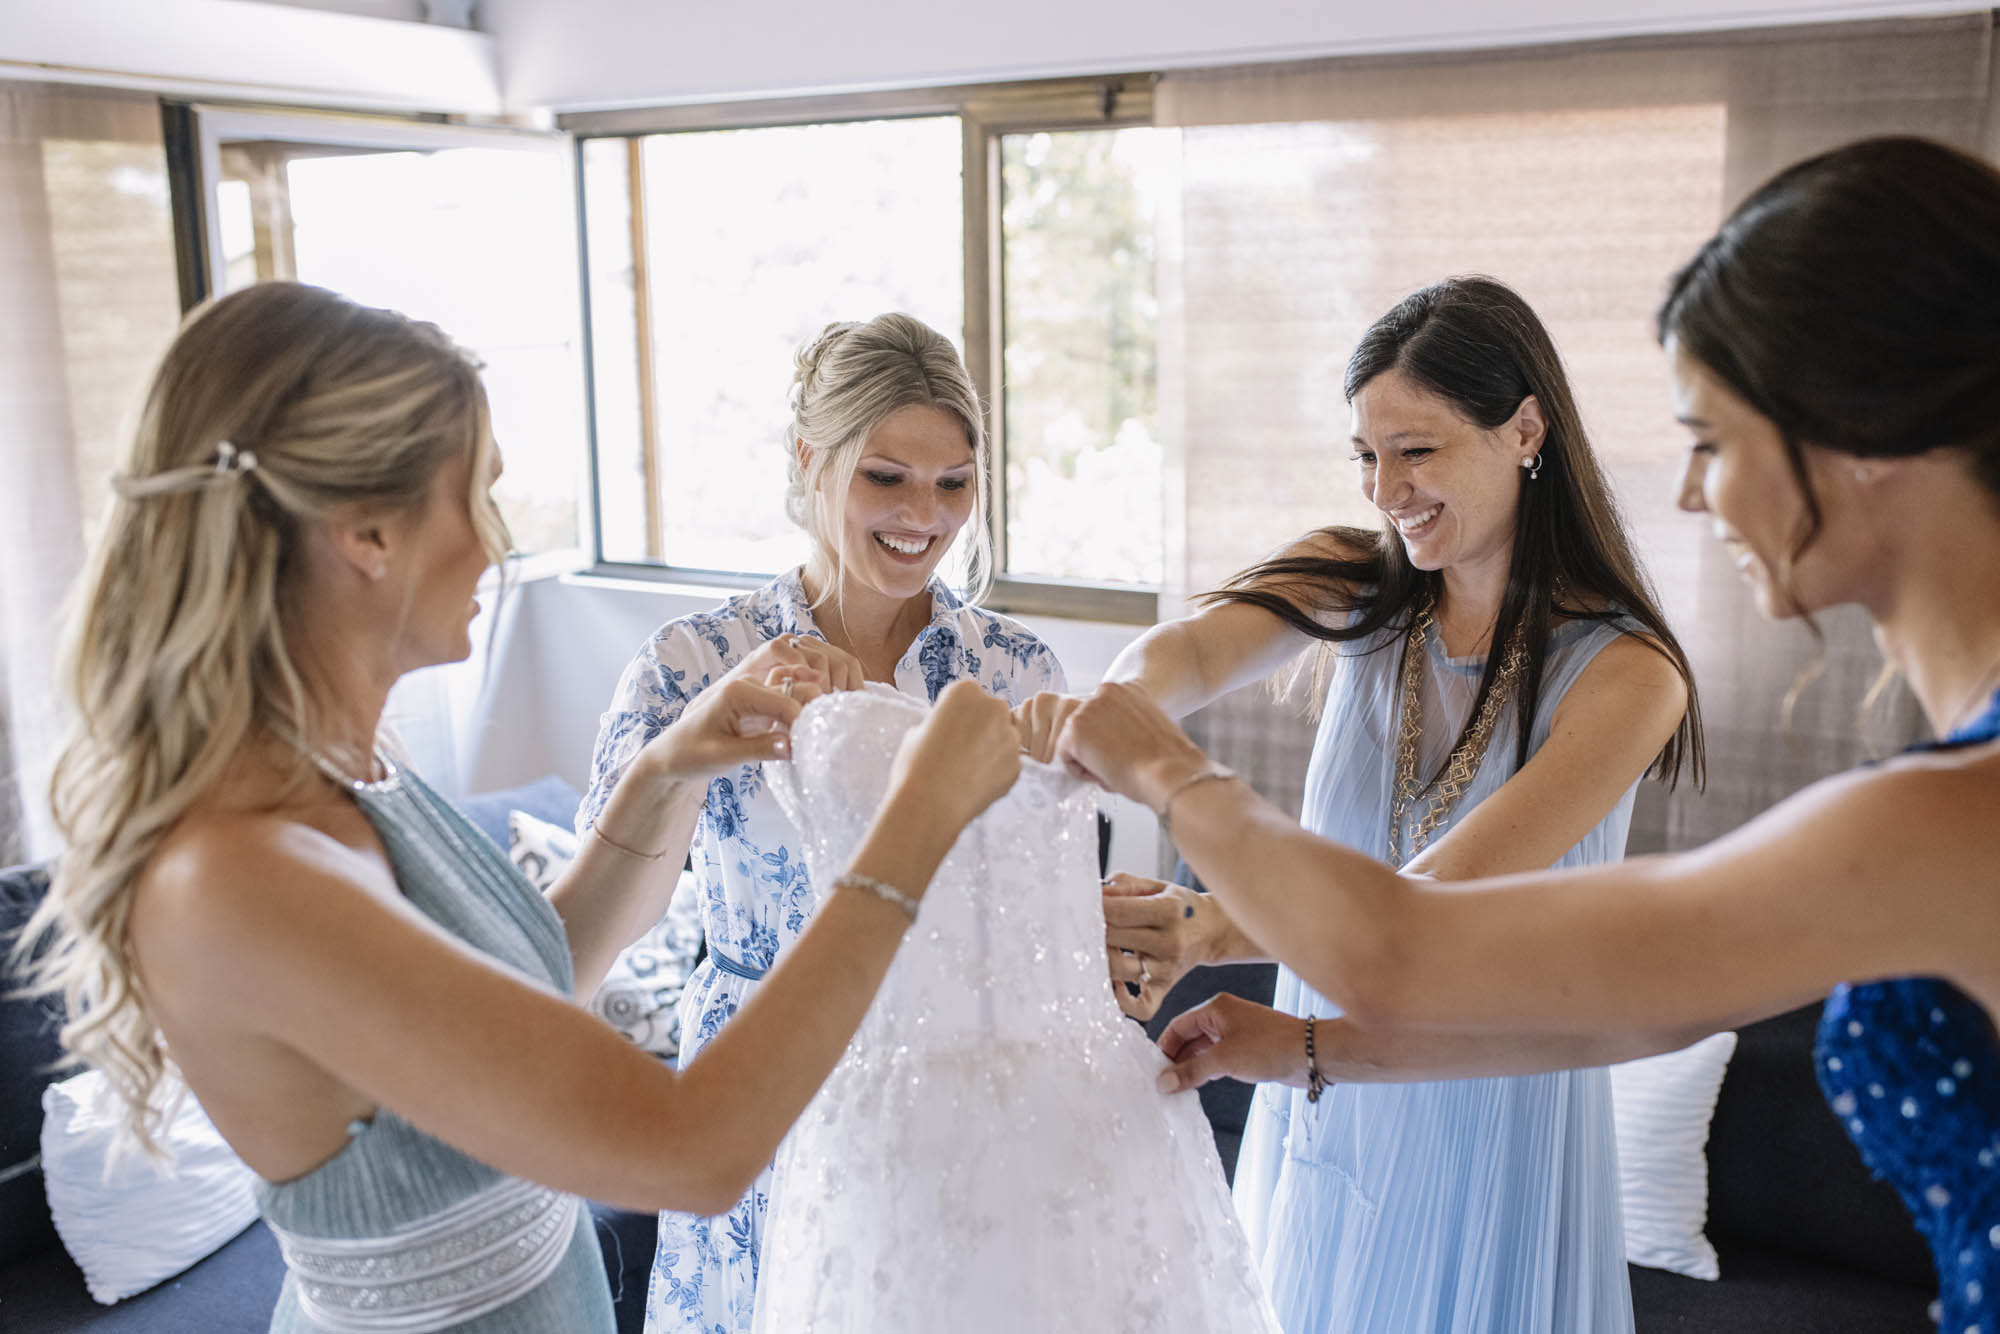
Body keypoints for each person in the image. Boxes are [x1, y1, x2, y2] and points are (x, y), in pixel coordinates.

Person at [1058, 137, 2000, 1334]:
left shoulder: (1921, 811)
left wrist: (1170, 777)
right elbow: (1611, 1012)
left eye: (1710, 438)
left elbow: (1418, 942)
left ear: (1858, 428)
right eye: (1368, 456)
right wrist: (1296, 1044)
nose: (1689, 492)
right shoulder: (1926, 805)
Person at [16, 281, 1023, 1334]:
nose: (497, 545)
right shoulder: (236, 877)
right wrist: (915, 820)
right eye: (478, 497)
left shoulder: (358, 778)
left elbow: (545, 973)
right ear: (367, 531)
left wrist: (666, 770)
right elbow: (693, 1148)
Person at [1028, 274, 1701, 1333]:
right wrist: (1115, 712)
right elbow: (1187, 650)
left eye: (1416, 450)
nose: (1384, 491)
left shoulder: (1628, 675)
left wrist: (1208, 922)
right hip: (1321, 1071)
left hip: (1490, 1101)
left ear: (1523, 428)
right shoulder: (1356, 581)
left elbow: (1439, 893)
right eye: (1365, 456)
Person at [579, 312, 1065, 1334]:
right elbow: (611, 925)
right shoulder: (691, 662)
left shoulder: (1016, 671)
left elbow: (1030, 914)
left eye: (953, 482)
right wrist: (685, 757)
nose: (921, 516)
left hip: (951, 1096)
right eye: (884, 477)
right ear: (810, 461)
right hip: (757, 1094)